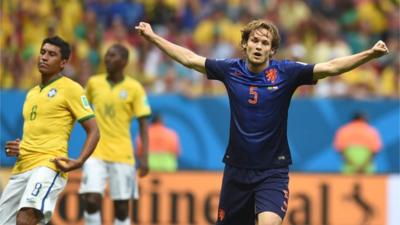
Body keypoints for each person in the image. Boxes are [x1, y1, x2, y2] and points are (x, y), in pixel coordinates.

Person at [135, 19, 389, 225]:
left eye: (265, 43)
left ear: (272, 50)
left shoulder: (287, 73)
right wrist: (153, 37)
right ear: (244, 45)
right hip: (236, 170)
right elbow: (190, 59)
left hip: (272, 172)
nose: (259, 46)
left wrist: (370, 54)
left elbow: (331, 67)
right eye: (254, 41)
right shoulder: (230, 69)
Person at [0, 36, 99, 225]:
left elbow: (94, 130)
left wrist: (79, 161)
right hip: (21, 167)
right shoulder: (32, 93)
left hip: (49, 164)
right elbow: (39, 131)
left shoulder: (72, 89)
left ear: (63, 63)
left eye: (52, 54)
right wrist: (20, 146)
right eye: (43, 52)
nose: (44, 57)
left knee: (25, 218)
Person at [79, 44, 151, 225]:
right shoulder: (94, 83)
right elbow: (81, 111)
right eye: (107, 55)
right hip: (95, 151)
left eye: (113, 56)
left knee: (121, 207)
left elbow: (143, 123)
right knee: (91, 200)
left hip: (122, 154)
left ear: (124, 62)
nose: (107, 59)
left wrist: (144, 156)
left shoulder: (134, 88)